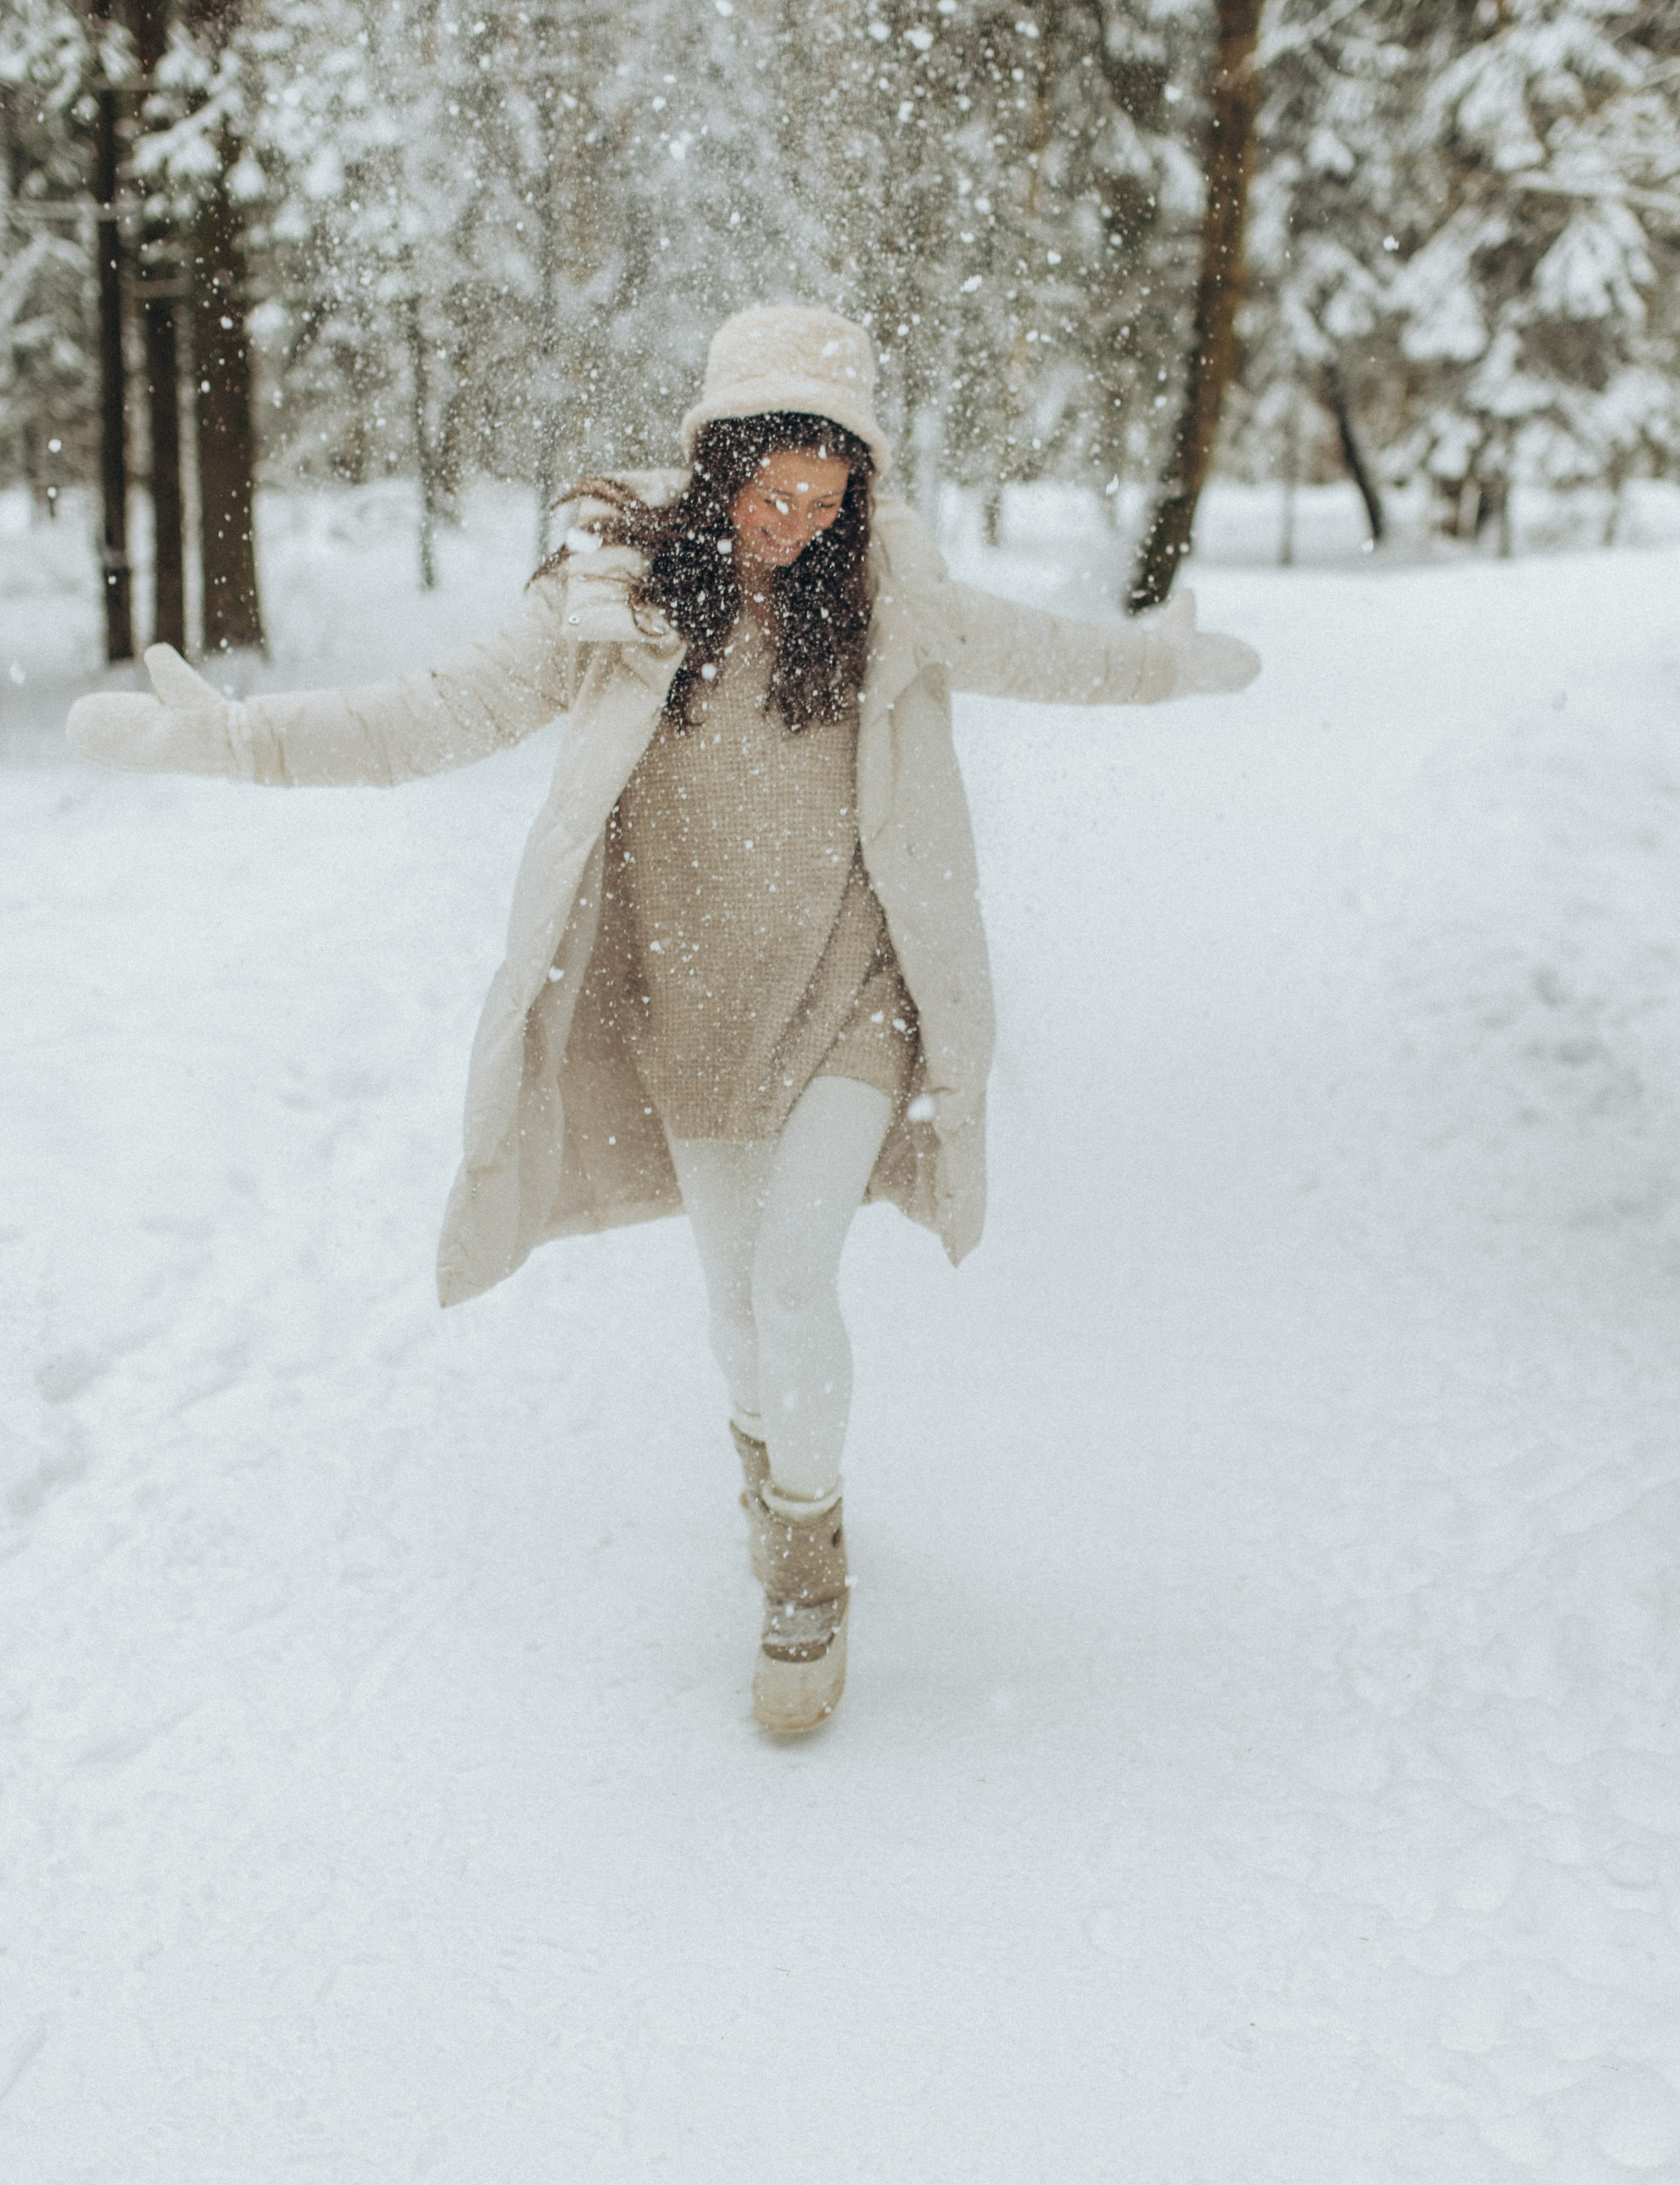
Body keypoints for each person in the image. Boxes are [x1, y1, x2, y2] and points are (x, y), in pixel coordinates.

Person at [68, 304, 1260, 1736]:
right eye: (772, 494)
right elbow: (433, 714)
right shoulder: (614, 598)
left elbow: (1041, 652)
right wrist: (234, 739)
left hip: (850, 994)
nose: (796, 528)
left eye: (826, 501)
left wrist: (1166, 664)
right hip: (694, 1005)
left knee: (792, 1282)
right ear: (718, 463)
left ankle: (806, 1567)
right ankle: (771, 1470)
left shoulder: (885, 594)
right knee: (736, 1306)